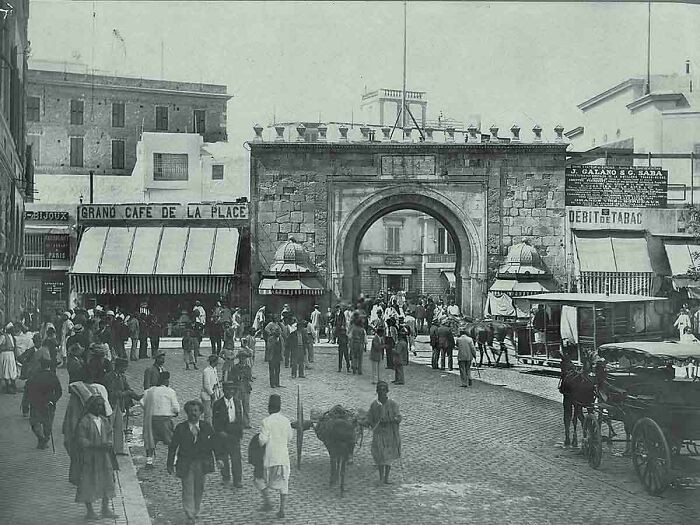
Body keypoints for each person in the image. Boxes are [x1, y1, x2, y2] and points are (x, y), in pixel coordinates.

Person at [167, 399, 216, 525]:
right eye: (190, 411)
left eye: (196, 411)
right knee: (187, 488)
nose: (193, 413)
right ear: (187, 413)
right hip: (186, 463)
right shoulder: (181, 428)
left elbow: (214, 444)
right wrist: (170, 464)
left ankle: (196, 510)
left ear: (200, 412)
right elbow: (173, 447)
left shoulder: (206, 427)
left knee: (199, 487)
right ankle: (190, 513)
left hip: (201, 463)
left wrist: (219, 458)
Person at [73, 395, 119, 520]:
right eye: (96, 405)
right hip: (90, 457)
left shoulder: (104, 420)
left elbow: (109, 434)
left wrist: (109, 443)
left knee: (107, 480)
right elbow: (81, 440)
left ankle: (105, 508)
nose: (99, 407)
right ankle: (90, 511)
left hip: (104, 457)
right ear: (90, 406)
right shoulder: (85, 421)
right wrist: (96, 445)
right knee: (87, 482)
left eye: (101, 405)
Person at [258, 394, 293, 519]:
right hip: (283, 458)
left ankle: (267, 501)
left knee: (259, 479)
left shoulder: (266, 421)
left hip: (270, 458)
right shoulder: (286, 421)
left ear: (269, 408)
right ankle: (281, 510)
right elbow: (290, 437)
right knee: (284, 483)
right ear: (280, 407)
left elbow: (262, 440)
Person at [363, 381, 402, 485]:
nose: (382, 392)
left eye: (384, 390)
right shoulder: (374, 405)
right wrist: (364, 423)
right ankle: (381, 477)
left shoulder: (393, 404)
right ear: (377, 391)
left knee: (388, 456)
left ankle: (386, 478)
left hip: (390, 434)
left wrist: (390, 420)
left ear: (387, 391)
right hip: (378, 433)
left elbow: (398, 417)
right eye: (380, 390)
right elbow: (369, 418)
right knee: (380, 455)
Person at [141, 371, 180, 469]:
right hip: (165, 420)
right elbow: (176, 408)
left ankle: (149, 461)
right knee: (171, 441)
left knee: (151, 440)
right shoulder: (170, 391)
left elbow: (142, 403)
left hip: (152, 420)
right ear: (166, 381)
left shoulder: (149, 391)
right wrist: (175, 413)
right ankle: (173, 460)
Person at [104, 357, 142, 455]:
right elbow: (112, 393)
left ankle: (118, 450)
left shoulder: (122, 377)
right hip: (111, 405)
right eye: (124, 367)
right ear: (119, 367)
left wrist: (138, 397)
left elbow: (128, 388)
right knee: (108, 428)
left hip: (119, 405)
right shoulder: (109, 377)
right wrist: (126, 393)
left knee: (119, 428)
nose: (125, 369)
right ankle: (107, 449)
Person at [213, 381, 247, 488]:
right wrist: (219, 431)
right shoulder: (218, 404)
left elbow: (239, 417)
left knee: (236, 458)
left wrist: (239, 431)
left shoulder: (237, 402)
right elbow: (215, 420)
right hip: (223, 433)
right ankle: (226, 477)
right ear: (224, 390)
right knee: (224, 457)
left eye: (233, 389)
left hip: (234, 434)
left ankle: (237, 480)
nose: (230, 392)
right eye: (228, 389)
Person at [26, 358, 62, 449]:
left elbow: (28, 390)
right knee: (48, 423)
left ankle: (40, 438)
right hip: (49, 404)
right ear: (49, 366)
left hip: (36, 403)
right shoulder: (53, 376)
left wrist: (29, 401)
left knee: (35, 422)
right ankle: (45, 439)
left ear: (41, 366)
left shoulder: (34, 375)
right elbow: (59, 391)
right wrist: (53, 400)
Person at [201, 354, 221, 423]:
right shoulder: (206, 371)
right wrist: (211, 394)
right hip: (207, 394)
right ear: (213, 362)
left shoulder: (214, 369)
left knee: (214, 412)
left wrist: (219, 390)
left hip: (215, 392)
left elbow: (216, 379)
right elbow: (206, 385)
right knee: (207, 413)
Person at [0, 323, 19, 393]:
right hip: (5, 355)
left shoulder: (12, 336)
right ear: (8, 329)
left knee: (12, 370)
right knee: (6, 371)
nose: (13, 330)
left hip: (11, 355)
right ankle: (8, 387)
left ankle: (13, 385)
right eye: (11, 329)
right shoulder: (3, 336)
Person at [266, 320, 283, 388]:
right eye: (276, 332)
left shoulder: (281, 339)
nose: (278, 333)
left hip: (278, 357)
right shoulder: (270, 339)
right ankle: (272, 383)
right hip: (272, 357)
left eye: (278, 332)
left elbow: (282, 347)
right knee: (272, 371)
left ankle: (277, 383)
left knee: (277, 371)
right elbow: (268, 347)